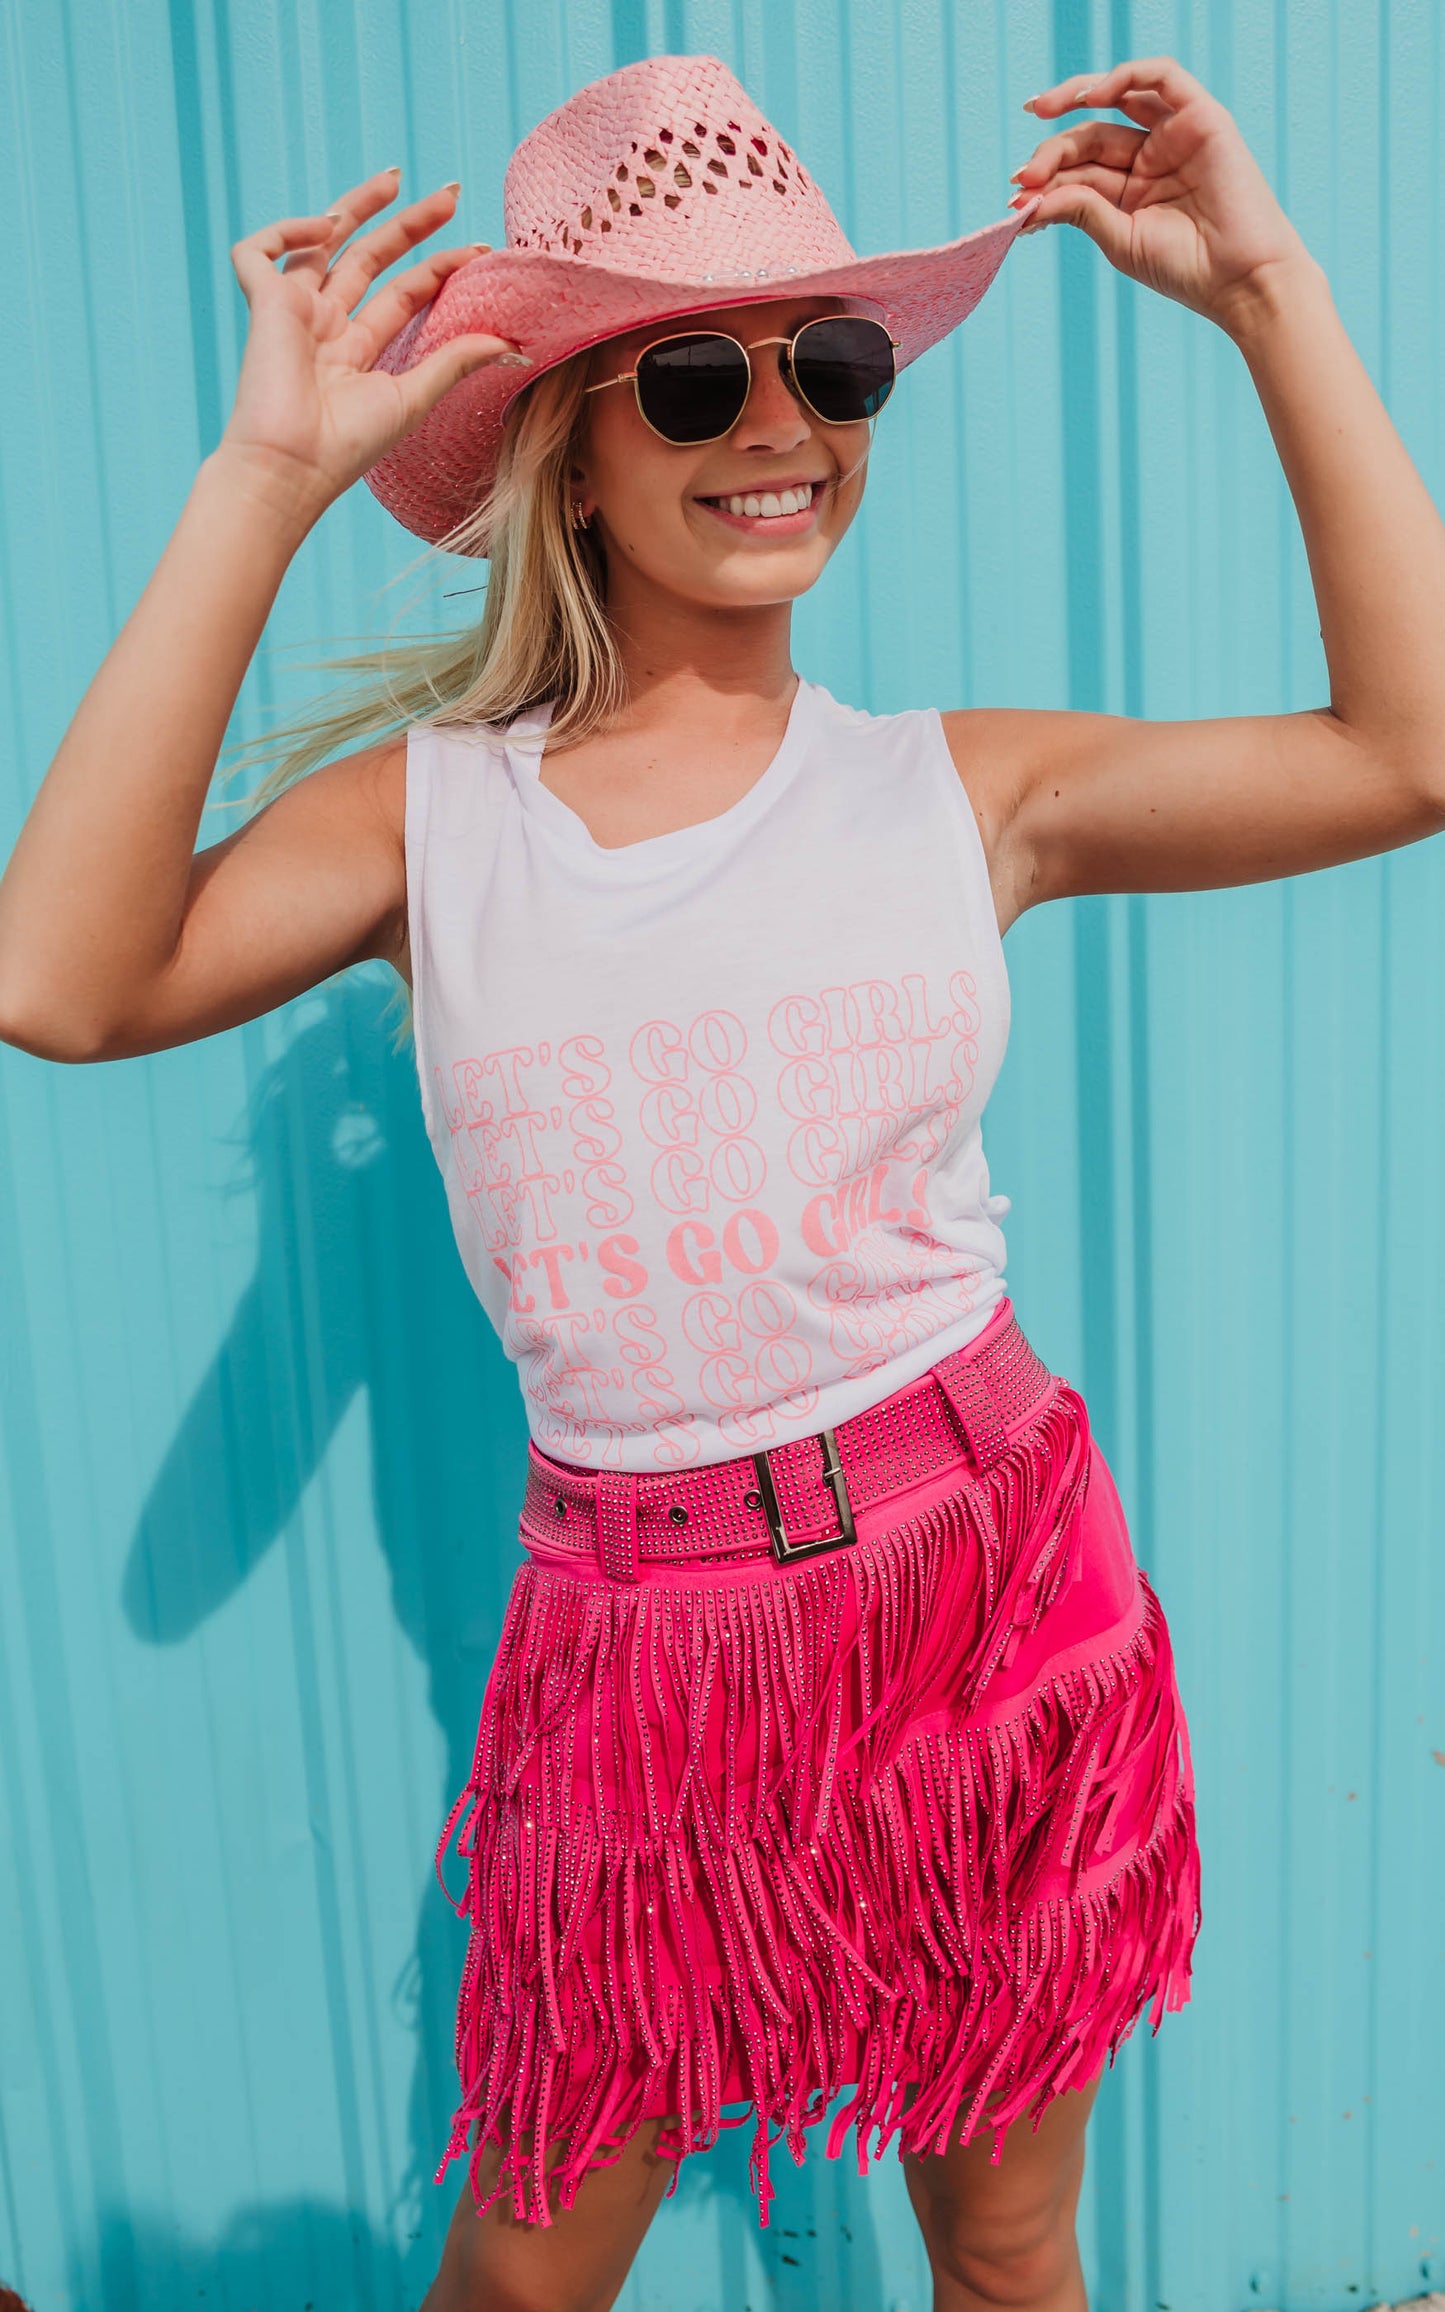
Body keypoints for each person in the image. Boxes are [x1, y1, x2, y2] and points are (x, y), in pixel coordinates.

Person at [2, 43, 1443, 2312]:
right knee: (518, 2278)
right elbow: (60, 983)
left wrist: (1270, 290)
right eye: (692, 377)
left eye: (830, 362)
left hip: (988, 1589)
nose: (781, 425)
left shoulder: (963, 789)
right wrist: (264, 481)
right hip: (636, 1653)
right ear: (565, 448)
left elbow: (1414, 745)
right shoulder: (432, 826)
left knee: (1003, 2251)